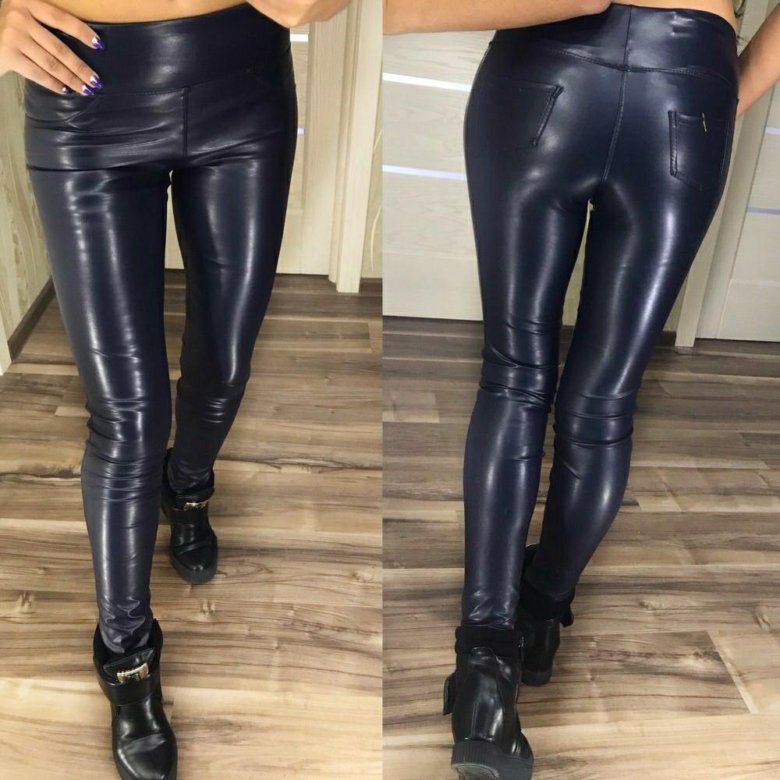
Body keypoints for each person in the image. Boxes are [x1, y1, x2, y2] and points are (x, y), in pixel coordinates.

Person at [385, 1, 778, 778]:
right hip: (687, 81)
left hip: (544, 67)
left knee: (512, 377)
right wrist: (710, 90)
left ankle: (485, 677)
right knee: (603, 406)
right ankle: (539, 615)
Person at [0, 1, 350, 778]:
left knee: (223, 369)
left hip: (243, 89)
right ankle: (126, 652)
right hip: (84, 97)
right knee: (128, 417)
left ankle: (187, 490)